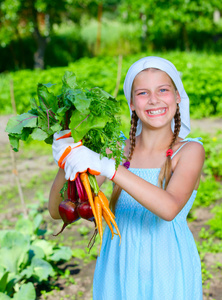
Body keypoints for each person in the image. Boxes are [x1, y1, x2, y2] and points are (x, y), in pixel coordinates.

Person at [49, 56, 205, 300]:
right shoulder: (115, 151)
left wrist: (110, 169)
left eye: (163, 90)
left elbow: (169, 208)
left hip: (168, 269)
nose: (154, 99)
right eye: (143, 93)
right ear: (132, 103)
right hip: (119, 268)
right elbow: (58, 210)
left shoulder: (189, 151)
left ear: (177, 97)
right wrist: (67, 158)